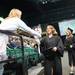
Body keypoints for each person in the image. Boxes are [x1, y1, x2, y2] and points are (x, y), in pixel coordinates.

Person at [0, 8, 41, 75]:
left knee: (2, 63)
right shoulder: (16, 20)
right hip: (1, 39)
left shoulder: (5, 20)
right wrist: (38, 34)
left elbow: (11, 33)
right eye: (20, 14)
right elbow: (28, 29)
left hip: (3, 38)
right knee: (2, 59)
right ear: (17, 14)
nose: (20, 16)